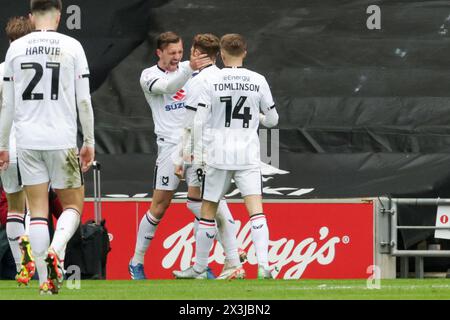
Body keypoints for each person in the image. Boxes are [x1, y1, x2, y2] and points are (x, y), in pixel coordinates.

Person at [0, 0, 95, 294]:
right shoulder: (72, 45)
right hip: (62, 140)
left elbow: (8, 104)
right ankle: (56, 248)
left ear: (32, 15)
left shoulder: (15, 49)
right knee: (73, 206)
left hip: (27, 142)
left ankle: (44, 281)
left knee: (37, 211)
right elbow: (83, 101)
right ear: (59, 14)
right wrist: (89, 141)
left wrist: (3, 144)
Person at [173, 33, 279, 279]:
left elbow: (198, 121)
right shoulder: (258, 80)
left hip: (218, 154)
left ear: (221, 54)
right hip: (247, 154)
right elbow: (273, 121)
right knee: (256, 210)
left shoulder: (211, 80)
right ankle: (263, 265)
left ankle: (200, 267)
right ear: (245, 52)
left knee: (208, 209)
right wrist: (258, 118)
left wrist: (187, 156)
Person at [128, 31, 213, 280]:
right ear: (159, 53)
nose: (177, 57)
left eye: (179, 51)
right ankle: (136, 261)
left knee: (202, 205)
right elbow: (168, 86)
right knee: (160, 206)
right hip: (170, 147)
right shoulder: (149, 76)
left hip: (197, 146)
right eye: (172, 53)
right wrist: (190, 69)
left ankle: (201, 266)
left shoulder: (192, 68)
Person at [173, 33, 246, 280]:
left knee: (206, 205)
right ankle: (229, 258)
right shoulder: (223, 77)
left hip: (203, 152)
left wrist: (180, 158)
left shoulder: (199, 82)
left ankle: (230, 258)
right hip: (228, 149)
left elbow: (191, 123)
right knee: (204, 202)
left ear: (195, 52)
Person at [0, 15, 35, 286]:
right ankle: (44, 267)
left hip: (7, 147)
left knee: (14, 208)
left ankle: (23, 266)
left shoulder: (1, 70)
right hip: (37, 144)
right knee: (37, 210)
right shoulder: (43, 69)